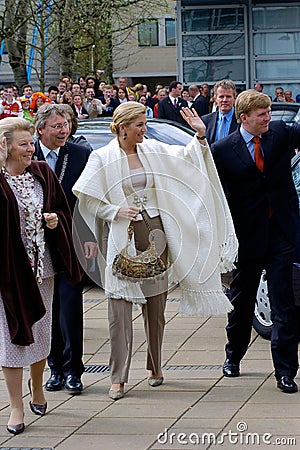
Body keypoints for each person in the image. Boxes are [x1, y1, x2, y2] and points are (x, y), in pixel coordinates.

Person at [73, 102, 238, 401]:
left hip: (155, 233)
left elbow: (185, 159)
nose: (144, 129)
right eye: (139, 124)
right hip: (122, 235)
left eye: (144, 123)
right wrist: (114, 210)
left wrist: (199, 137)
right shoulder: (101, 157)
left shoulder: (152, 150)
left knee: (156, 306)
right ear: (122, 126)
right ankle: (118, 377)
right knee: (118, 310)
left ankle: (155, 366)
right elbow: (87, 197)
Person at [212, 89, 300, 393]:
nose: (268, 118)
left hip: (281, 233)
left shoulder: (278, 133)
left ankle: (285, 371)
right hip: (246, 238)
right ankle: (233, 356)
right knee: (241, 302)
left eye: (269, 112)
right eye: (262, 114)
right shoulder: (223, 150)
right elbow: (214, 193)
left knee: (283, 303)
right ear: (244, 118)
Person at [0, 117, 81, 435]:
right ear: (5, 146)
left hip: (43, 270)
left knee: (41, 334)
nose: (30, 149)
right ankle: (16, 406)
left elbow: (63, 210)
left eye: (31, 143)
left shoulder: (42, 173)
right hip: (9, 274)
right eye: (23, 144)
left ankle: (37, 387)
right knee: (11, 339)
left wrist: (54, 221)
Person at [33, 103, 97, 395]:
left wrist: (90, 238)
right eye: (57, 126)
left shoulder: (81, 155)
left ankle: (74, 371)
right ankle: (54, 368)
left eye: (66, 125)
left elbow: (89, 203)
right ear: (41, 129)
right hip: (35, 246)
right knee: (47, 309)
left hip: (71, 243)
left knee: (70, 306)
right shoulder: (26, 153)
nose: (64, 131)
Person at [201, 79, 238, 145]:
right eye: (221, 97)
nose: (225, 100)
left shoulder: (242, 120)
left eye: (228, 96)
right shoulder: (206, 120)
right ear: (215, 99)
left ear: (235, 98)